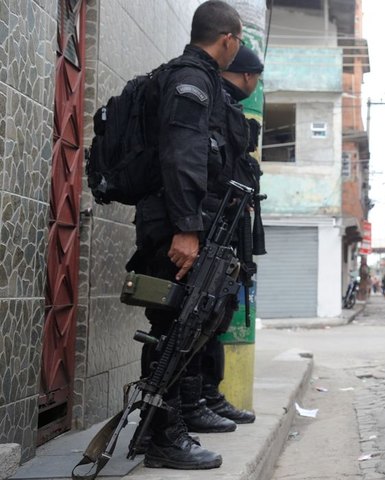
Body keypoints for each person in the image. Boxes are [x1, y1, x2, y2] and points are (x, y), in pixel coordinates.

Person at [125, 1, 248, 470]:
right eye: (238, 42)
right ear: (228, 39)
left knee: (182, 327)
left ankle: (165, 430)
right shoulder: (190, 80)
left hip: (180, 221)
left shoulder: (195, 78)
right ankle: (162, 436)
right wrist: (186, 229)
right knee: (170, 330)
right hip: (174, 225)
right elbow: (182, 156)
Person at [185, 44, 265, 431]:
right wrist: (188, 227)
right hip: (201, 227)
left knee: (213, 317)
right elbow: (188, 161)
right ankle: (181, 411)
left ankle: (206, 397)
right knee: (190, 320)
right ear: (249, 76)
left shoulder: (222, 102)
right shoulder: (207, 97)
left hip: (218, 227)